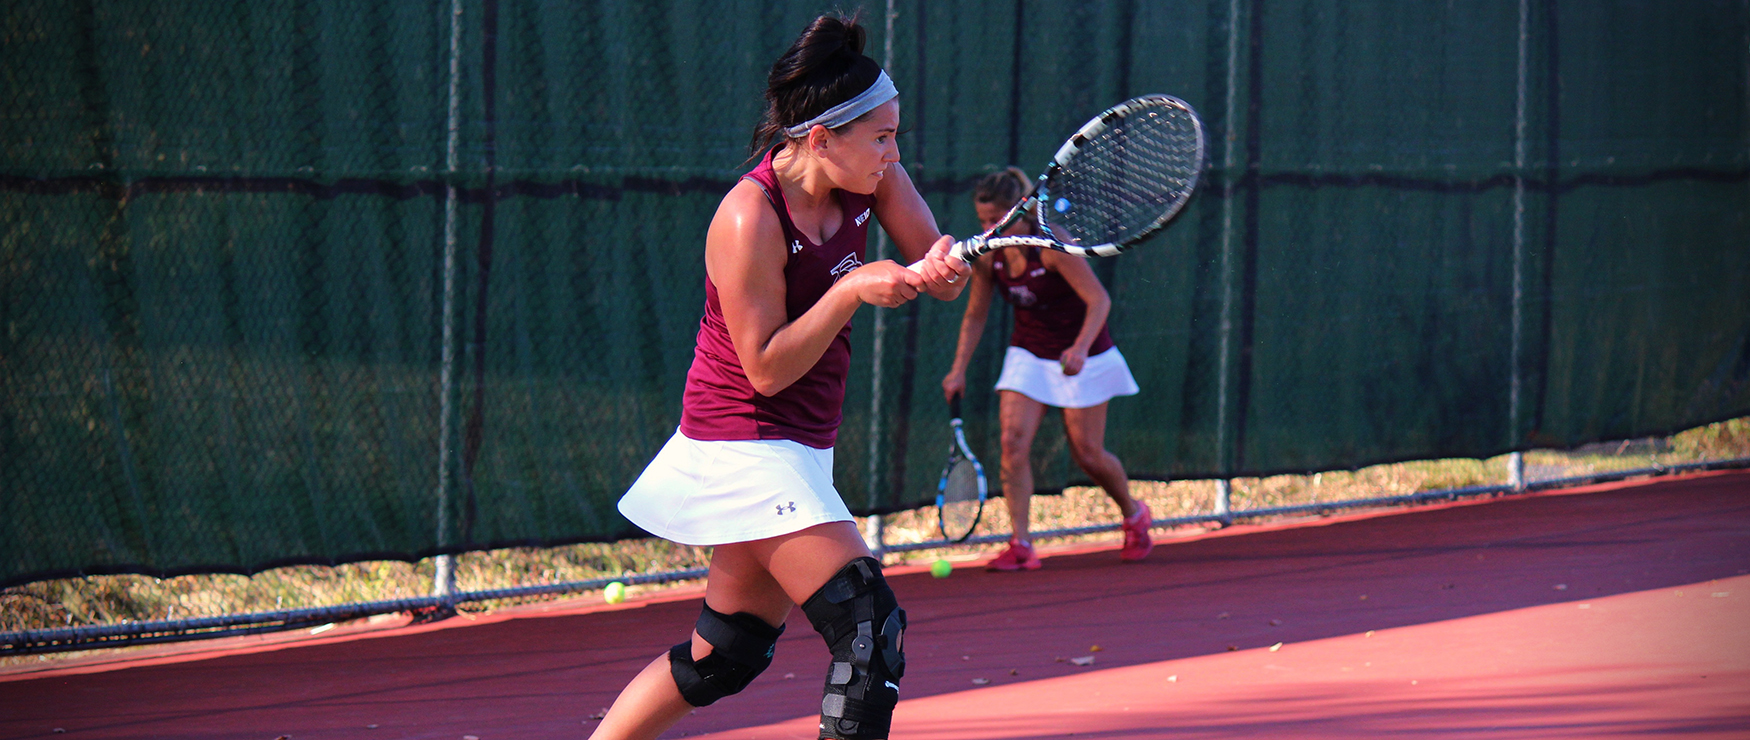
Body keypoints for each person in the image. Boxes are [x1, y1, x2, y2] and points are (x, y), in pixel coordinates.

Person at [596, 13, 968, 740]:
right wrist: (853, 289)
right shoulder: (748, 217)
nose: (894, 152)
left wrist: (943, 270)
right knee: (869, 632)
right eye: (882, 137)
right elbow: (764, 370)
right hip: (744, 442)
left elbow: (934, 271)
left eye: (897, 136)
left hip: (800, 446)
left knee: (722, 658)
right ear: (821, 139)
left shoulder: (873, 178)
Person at [940, 167, 1151, 572]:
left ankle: (1134, 513)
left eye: (994, 220)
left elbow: (1099, 301)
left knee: (1088, 453)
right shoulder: (989, 257)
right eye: (983, 220)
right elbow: (975, 315)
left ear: (1019, 212)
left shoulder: (1053, 246)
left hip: (1083, 353)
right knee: (1012, 443)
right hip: (1030, 352)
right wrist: (958, 368)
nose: (988, 228)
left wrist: (1080, 348)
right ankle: (1021, 543)